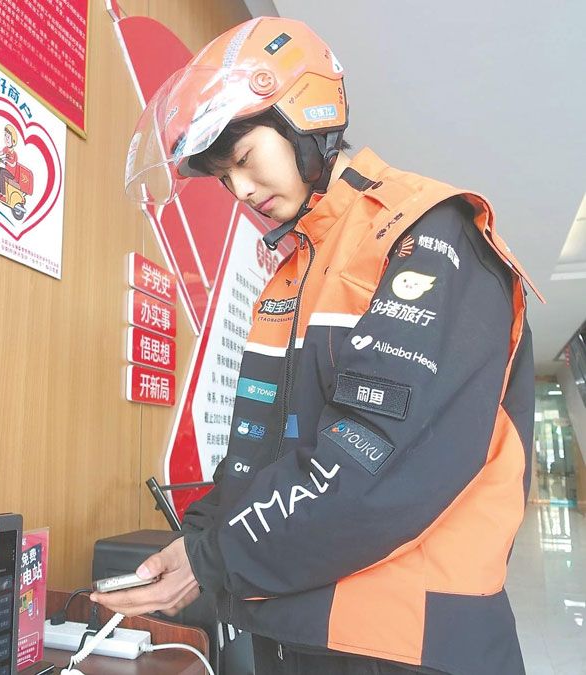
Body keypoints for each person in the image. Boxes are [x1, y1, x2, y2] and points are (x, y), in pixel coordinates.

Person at [93, 16, 543, 675]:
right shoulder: (294, 268)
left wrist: (213, 557)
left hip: (403, 642)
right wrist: (197, 541)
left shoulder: (423, 234)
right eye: (223, 176)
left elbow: (375, 461)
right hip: (296, 633)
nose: (241, 190)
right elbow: (264, 454)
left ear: (305, 116)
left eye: (244, 158)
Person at [0, 123, 18, 196]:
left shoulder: (14, 154)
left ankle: (3, 193)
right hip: (6, 171)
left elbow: (13, 164)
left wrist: (7, 162)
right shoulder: (5, 149)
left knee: (2, 173)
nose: (6, 138)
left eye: (8, 137)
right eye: (5, 135)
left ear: (13, 140)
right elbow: (0, 153)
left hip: (11, 174)